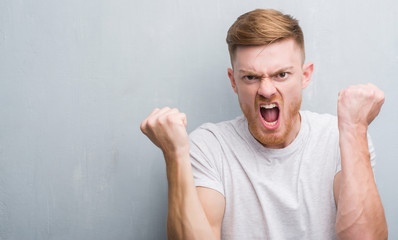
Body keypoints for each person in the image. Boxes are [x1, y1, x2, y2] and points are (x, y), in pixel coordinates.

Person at [140, 9, 388, 240]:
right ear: (233, 81)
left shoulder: (340, 138)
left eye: (281, 74)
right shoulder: (209, 147)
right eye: (251, 77)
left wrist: (355, 130)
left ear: (305, 76)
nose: (267, 90)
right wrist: (175, 155)